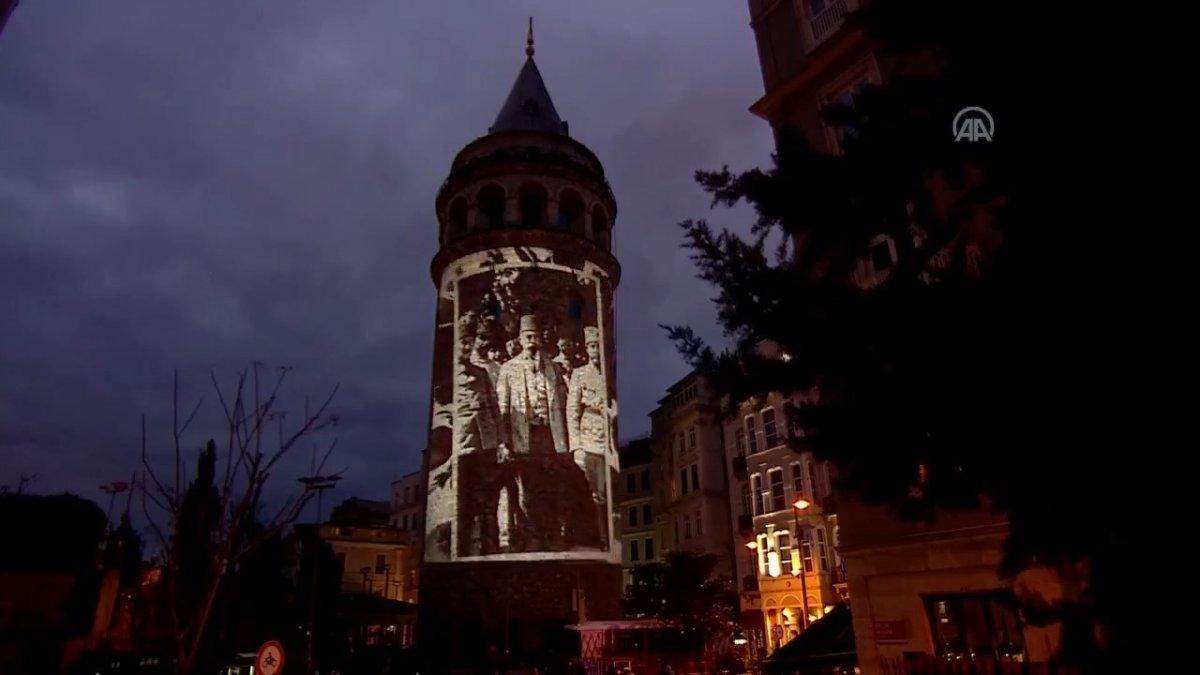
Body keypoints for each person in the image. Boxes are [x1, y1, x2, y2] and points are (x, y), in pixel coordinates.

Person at [495, 315, 571, 550]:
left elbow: (564, 404)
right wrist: (503, 442)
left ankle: (551, 534)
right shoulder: (509, 369)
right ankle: (532, 536)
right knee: (527, 489)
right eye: (527, 336)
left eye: (535, 336)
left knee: (551, 486)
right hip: (523, 438)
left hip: (549, 436)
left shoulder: (553, 367)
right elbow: (502, 409)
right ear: (520, 338)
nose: (531, 340)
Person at [453, 312, 501, 556]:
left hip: (486, 447)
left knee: (488, 503)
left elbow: (493, 408)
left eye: (468, 342)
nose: (465, 346)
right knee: (463, 507)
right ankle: (463, 551)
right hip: (463, 448)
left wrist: (499, 441)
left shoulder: (481, 374)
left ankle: (489, 549)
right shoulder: (448, 377)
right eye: (462, 342)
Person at [566, 326, 611, 547]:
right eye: (592, 346)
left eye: (599, 347)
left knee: (607, 490)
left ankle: (608, 537)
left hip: (609, 441)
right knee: (594, 493)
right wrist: (577, 446)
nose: (596, 351)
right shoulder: (579, 374)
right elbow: (572, 411)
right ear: (587, 349)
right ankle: (598, 538)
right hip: (590, 440)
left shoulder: (609, 374)